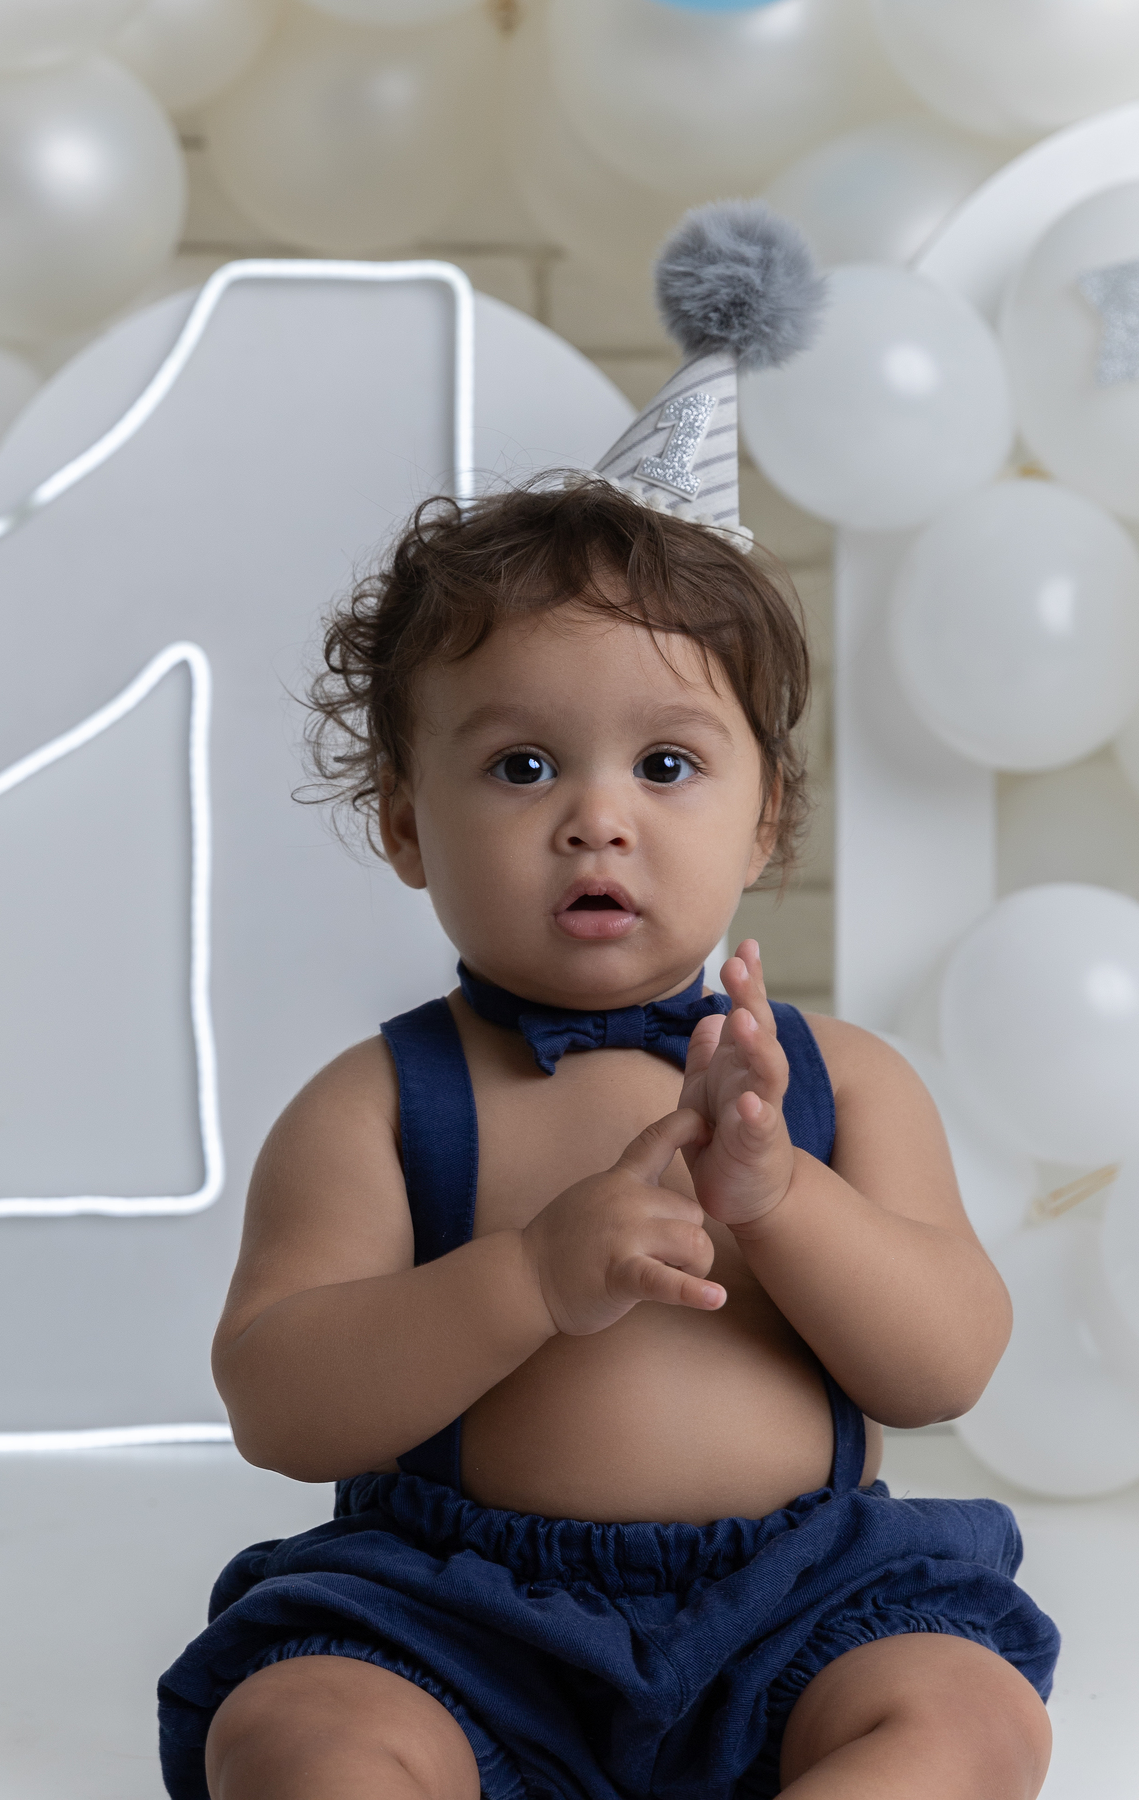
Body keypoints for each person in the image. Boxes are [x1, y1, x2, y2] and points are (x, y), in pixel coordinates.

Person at [158, 472, 1058, 1800]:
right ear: (408, 822)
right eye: (522, 765)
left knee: (969, 1719)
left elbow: (945, 1369)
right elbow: (281, 1405)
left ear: (766, 820)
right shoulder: (381, 1103)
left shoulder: (837, 1086)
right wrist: (525, 1276)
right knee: (299, 1737)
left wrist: (782, 1192)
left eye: (667, 763)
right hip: (454, 1622)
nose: (597, 815)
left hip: (795, 1603)